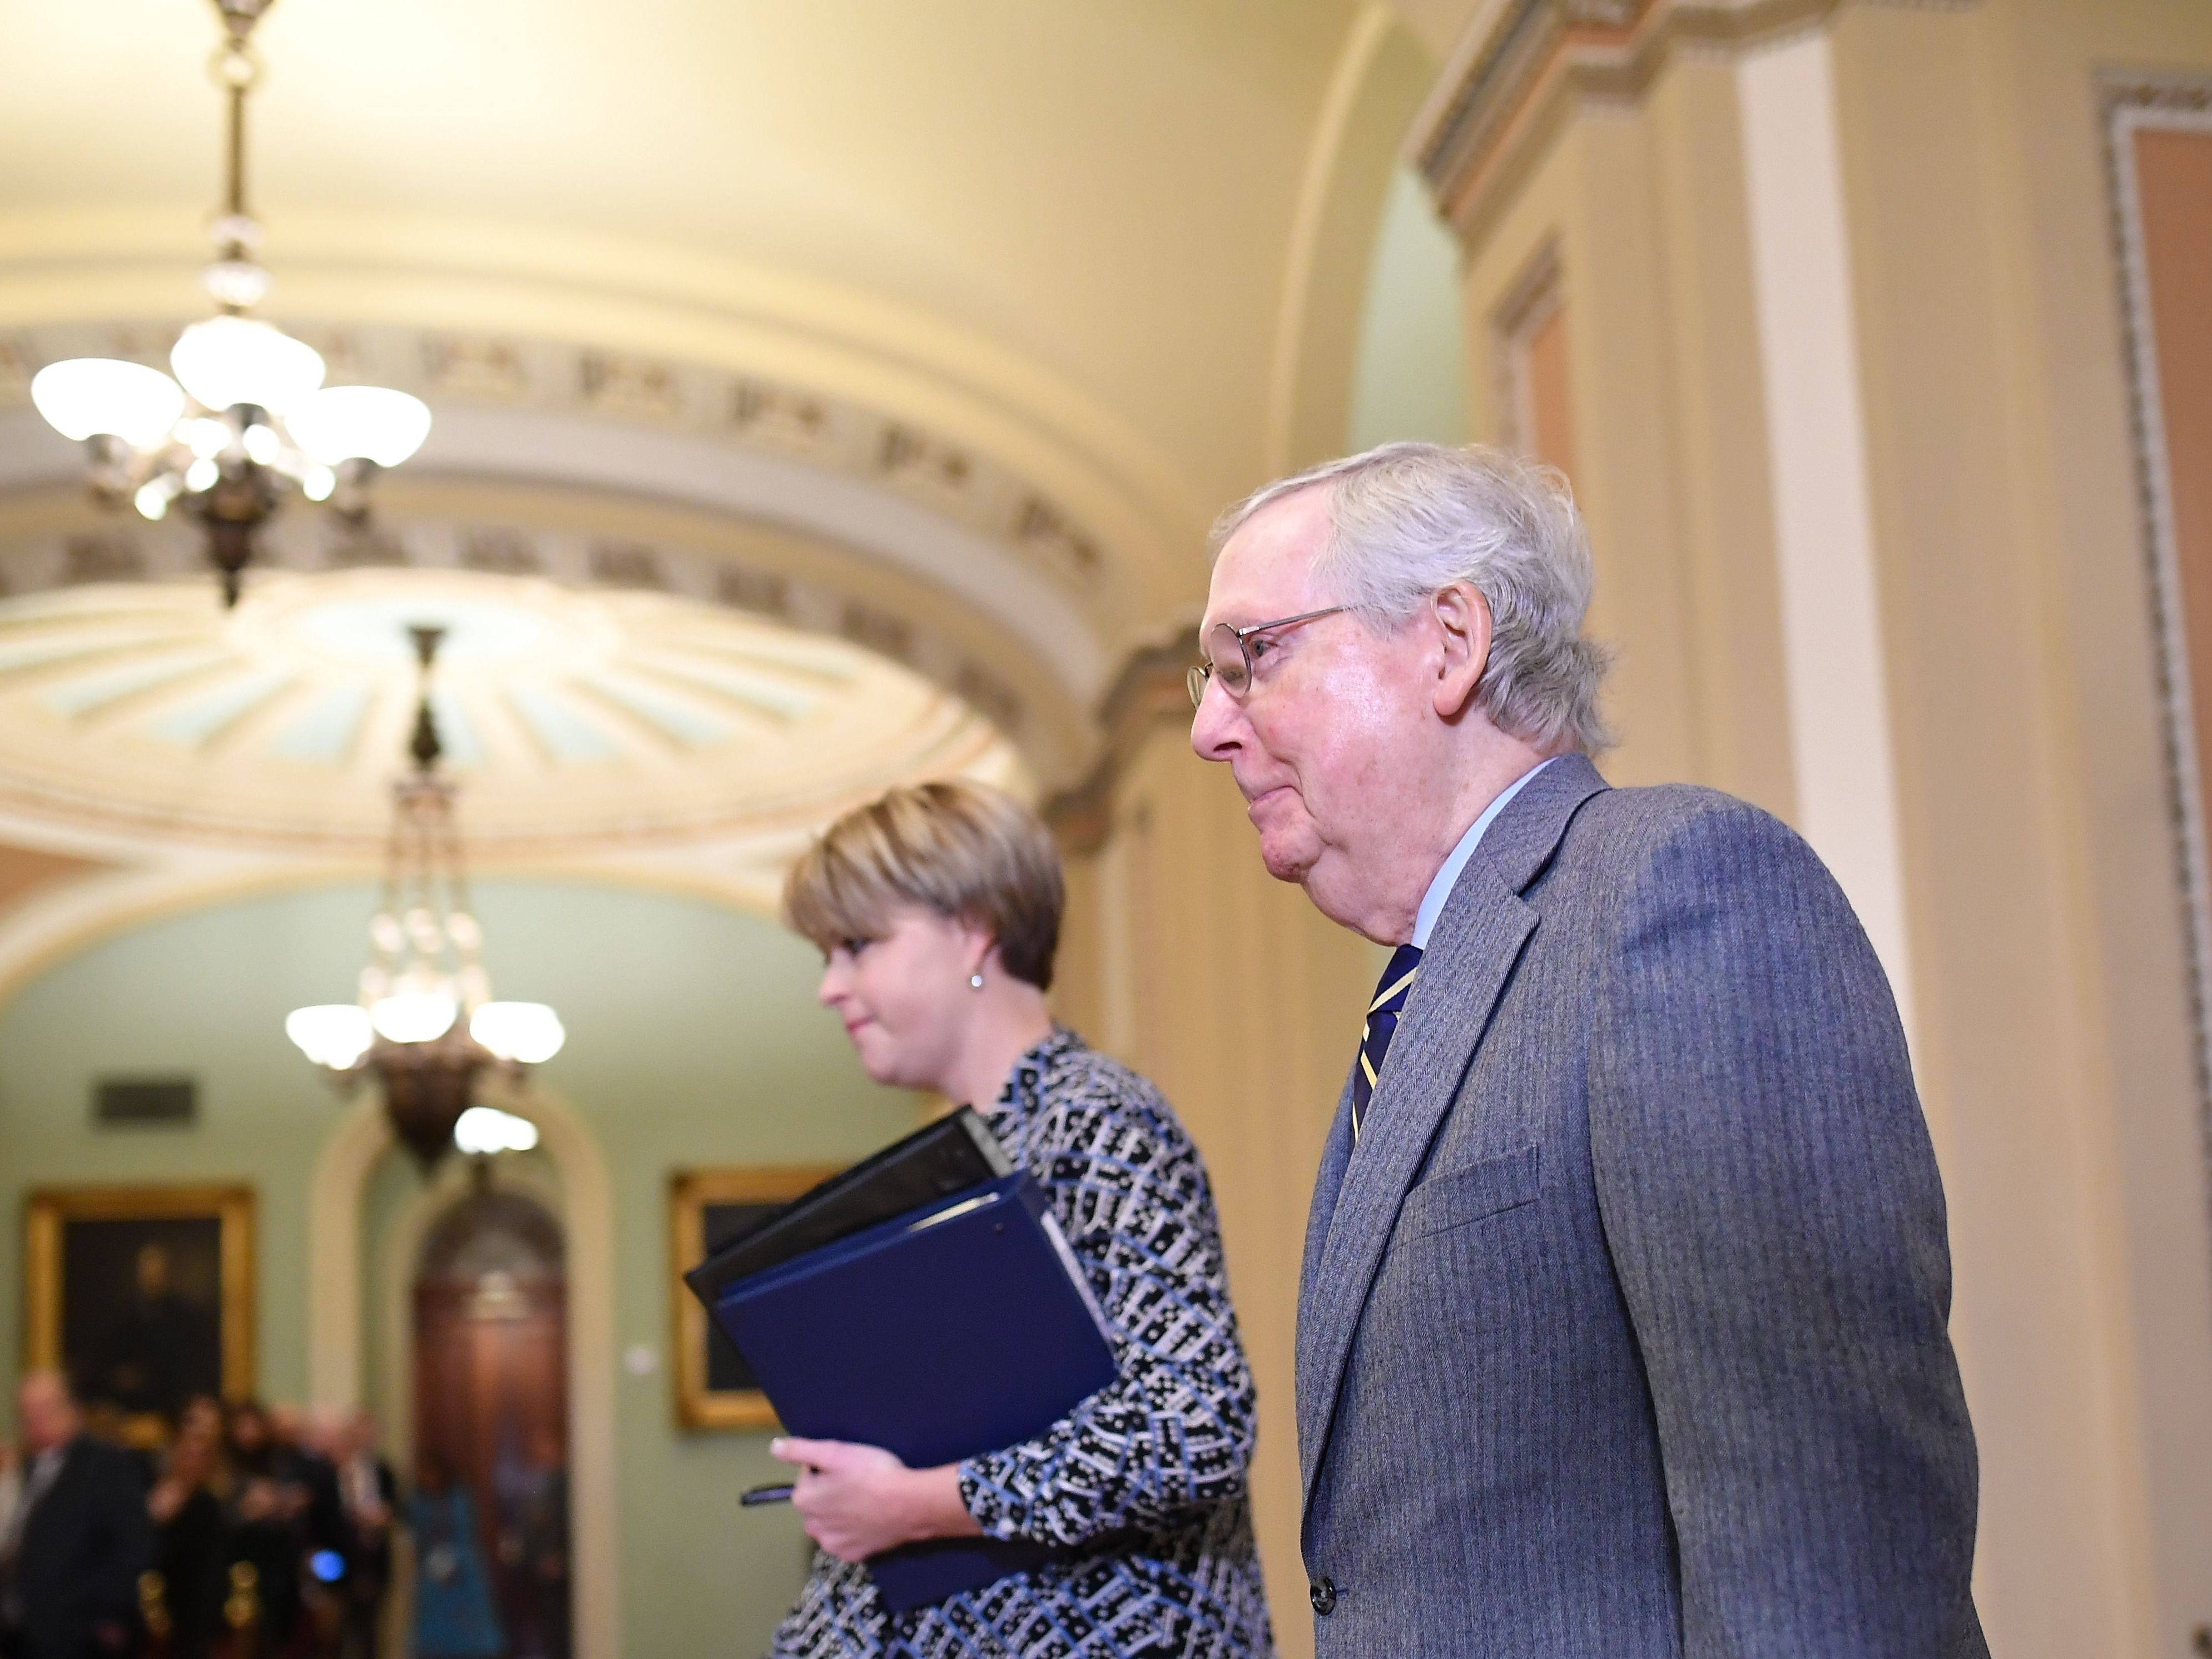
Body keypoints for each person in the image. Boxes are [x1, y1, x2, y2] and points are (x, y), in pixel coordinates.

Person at [1189, 441, 1986, 1657]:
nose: (1207, 728)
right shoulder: (1428, 989)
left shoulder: (1679, 892)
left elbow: (1831, 1533)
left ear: (1448, 642)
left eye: (1253, 657)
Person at [767, 780, 1272, 1658]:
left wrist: (916, 1501)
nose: (830, 988)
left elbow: (1195, 1424)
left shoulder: (1095, 1119)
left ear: (973, 929)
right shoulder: (962, 1156)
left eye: (856, 946)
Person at [0, 1371, 153, 1659]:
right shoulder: (27, 1469)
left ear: (70, 1408)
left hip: (78, 1634)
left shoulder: (106, 1465)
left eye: (44, 1409)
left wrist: (105, 1614)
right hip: (21, 1632)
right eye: (27, 1412)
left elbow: (133, 1544)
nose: (34, 1420)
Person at [146, 1407, 230, 1659]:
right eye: (187, 1454)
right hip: (163, 1592)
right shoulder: (158, 1493)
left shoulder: (209, 1503)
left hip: (198, 1601)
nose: (192, 1461)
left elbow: (212, 1561)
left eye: (199, 1456)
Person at [408, 1454, 502, 1659]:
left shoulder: (458, 1500)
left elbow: (465, 1532)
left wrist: (452, 1559)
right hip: (432, 1575)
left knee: (467, 1628)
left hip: (462, 1572)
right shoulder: (419, 1502)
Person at [331, 1412, 396, 1659]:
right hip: (342, 1558)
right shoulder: (336, 1470)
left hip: (375, 1557)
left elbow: (395, 1507)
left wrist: (383, 1516)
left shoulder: (384, 1471)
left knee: (371, 1631)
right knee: (339, 1630)